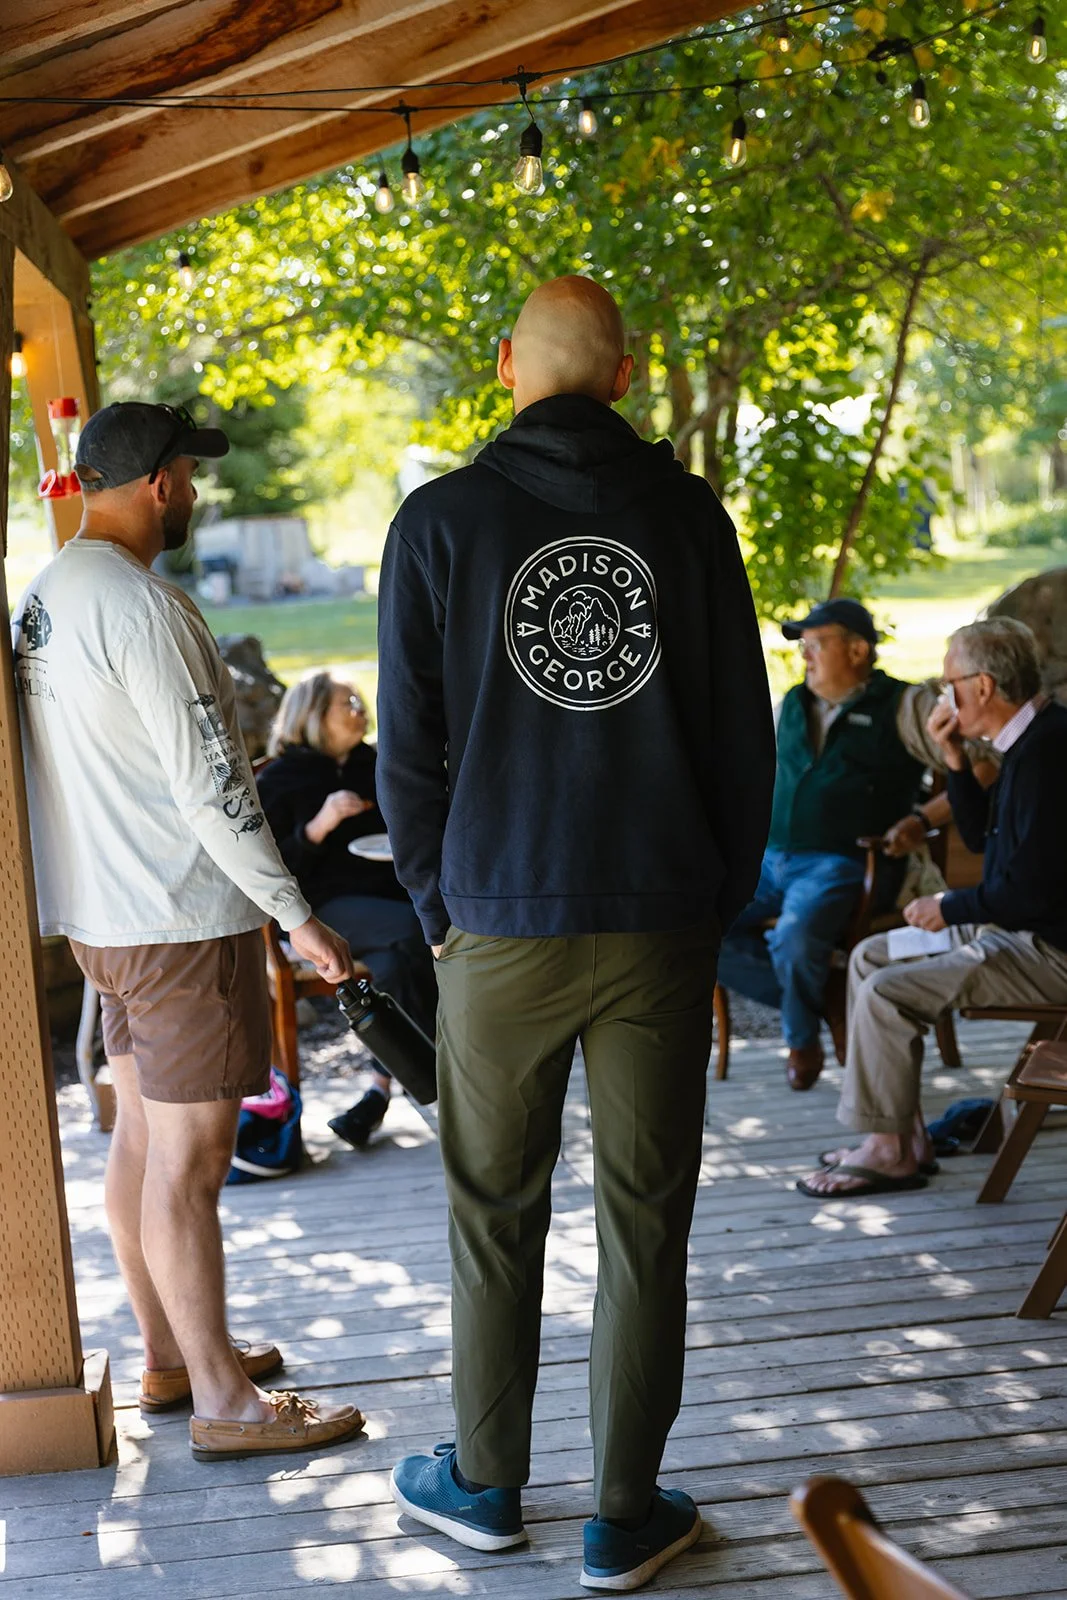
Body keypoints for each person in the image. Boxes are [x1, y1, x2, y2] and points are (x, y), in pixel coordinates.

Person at [375, 276, 775, 1592]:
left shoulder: (436, 522)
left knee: (493, 1213)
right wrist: (704, 904)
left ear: (506, 367)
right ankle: (621, 1513)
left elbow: (407, 749)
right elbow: (739, 740)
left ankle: (484, 1488)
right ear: (621, 375)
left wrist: (438, 907)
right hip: (659, 916)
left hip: (496, 922)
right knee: (644, 1224)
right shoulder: (688, 515)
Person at [12, 401, 364, 1462]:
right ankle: (223, 1400)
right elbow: (214, 788)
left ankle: (170, 1352)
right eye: (192, 478)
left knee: (141, 1141)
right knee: (194, 1164)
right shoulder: (147, 609)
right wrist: (297, 916)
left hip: (102, 923)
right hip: (175, 920)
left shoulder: (45, 599)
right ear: (161, 482)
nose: (198, 495)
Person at [798, 617, 1067, 1198]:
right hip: (1015, 928)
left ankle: (885, 1151)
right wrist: (950, 756)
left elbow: (1032, 894)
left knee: (887, 992)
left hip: (1046, 949)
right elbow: (982, 842)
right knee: (871, 956)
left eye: (950, 683)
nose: (943, 696)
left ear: (984, 688)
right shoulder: (1026, 742)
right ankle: (904, 1140)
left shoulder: (1050, 755)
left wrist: (949, 907)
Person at [716, 598, 926, 1091]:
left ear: (858, 650)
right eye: (803, 646)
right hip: (768, 860)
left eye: (816, 644)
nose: (805, 656)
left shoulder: (903, 703)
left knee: (795, 937)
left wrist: (921, 817)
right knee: (698, 922)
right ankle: (825, 996)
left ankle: (801, 1034)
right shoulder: (792, 702)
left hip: (842, 861)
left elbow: (978, 766)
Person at [257, 672, 438, 1146]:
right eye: (347, 703)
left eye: (358, 700)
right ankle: (441, 1078)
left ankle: (380, 1090)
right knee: (417, 933)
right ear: (313, 715)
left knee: (396, 964)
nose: (361, 709)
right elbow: (265, 870)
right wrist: (319, 825)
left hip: (389, 906)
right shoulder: (280, 778)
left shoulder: (375, 766)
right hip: (323, 911)